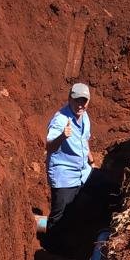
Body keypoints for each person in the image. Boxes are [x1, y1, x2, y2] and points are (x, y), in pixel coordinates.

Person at [44, 82, 94, 231]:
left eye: (83, 101)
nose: (80, 104)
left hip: (82, 172)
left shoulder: (84, 116)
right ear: (69, 99)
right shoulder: (60, 120)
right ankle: (50, 247)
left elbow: (84, 140)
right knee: (59, 216)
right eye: (76, 100)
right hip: (64, 175)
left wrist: (92, 161)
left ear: (88, 101)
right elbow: (49, 146)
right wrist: (62, 137)